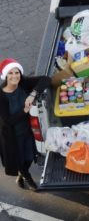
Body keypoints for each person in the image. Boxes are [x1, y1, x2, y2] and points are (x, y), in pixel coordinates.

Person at [0, 58, 51, 191]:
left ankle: (22, 174)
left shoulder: (23, 83)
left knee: (29, 158)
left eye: (16, 72)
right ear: (5, 75)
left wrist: (32, 95)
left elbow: (46, 79)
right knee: (20, 160)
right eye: (10, 73)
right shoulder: (1, 96)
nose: (14, 76)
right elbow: (8, 121)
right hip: (12, 136)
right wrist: (24, 110)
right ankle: (27, 178)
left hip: (27, 131)